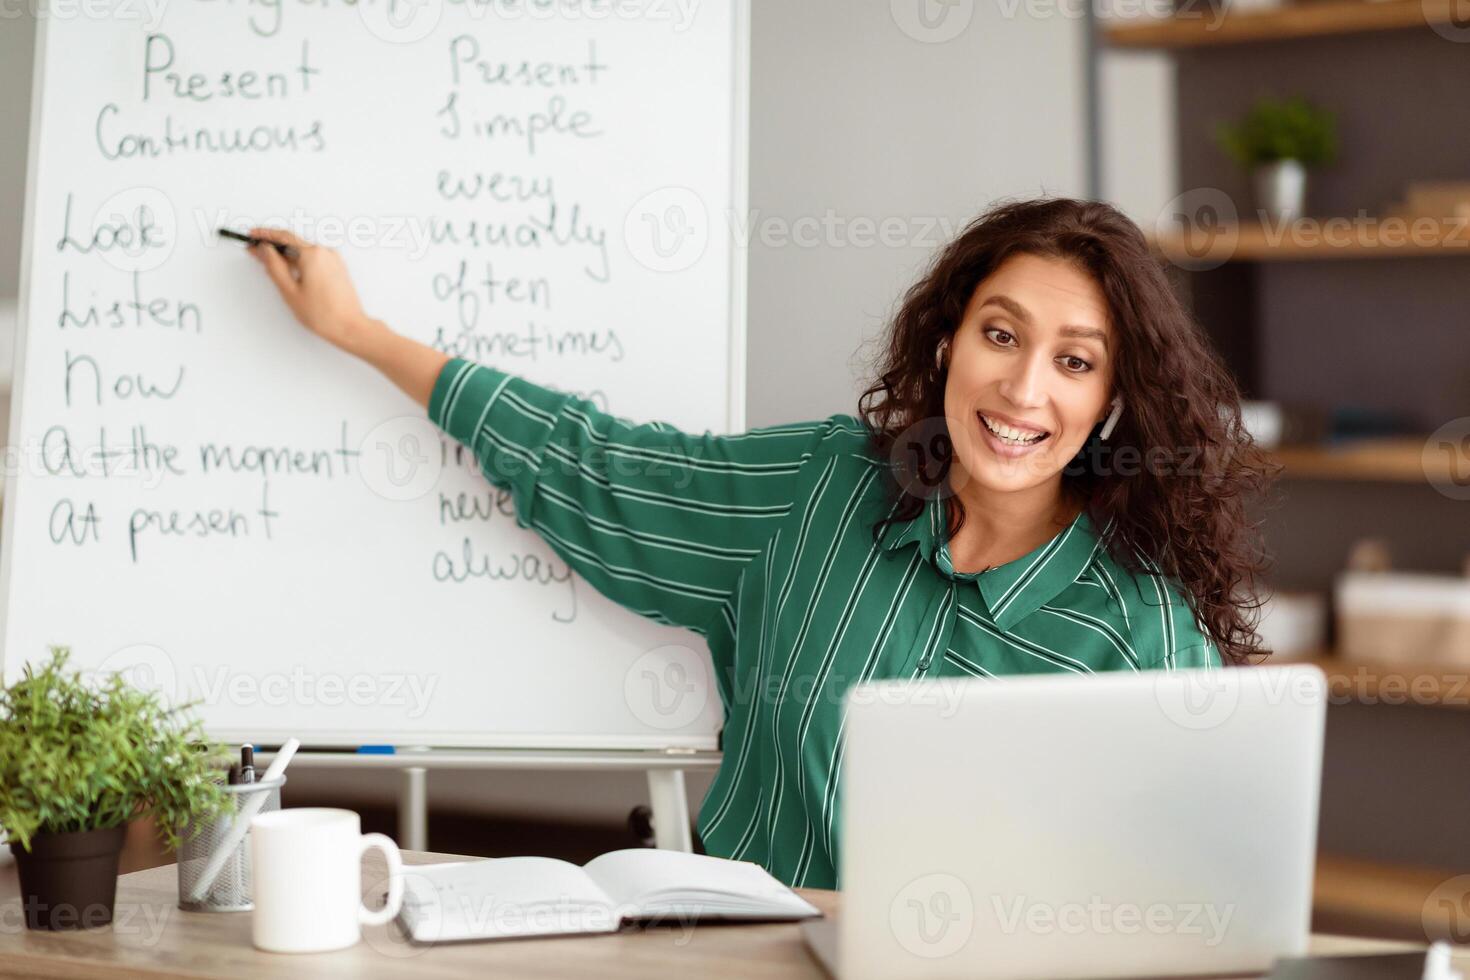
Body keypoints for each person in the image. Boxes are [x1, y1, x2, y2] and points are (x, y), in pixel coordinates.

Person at [246, 196, 1274, 889]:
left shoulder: (1144, 632)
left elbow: (1179, 902)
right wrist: (359, 332)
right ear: (951, 339)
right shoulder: (821, 489)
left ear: (1109, 402)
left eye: (1075, 360)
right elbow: (594, 464)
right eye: (1001, 334)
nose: (1023, 388)